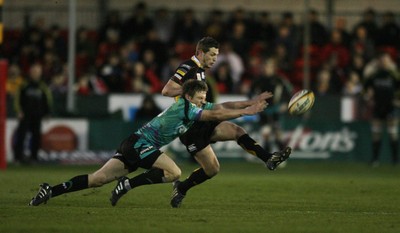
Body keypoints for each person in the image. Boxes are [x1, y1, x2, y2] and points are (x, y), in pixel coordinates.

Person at [29, 80, 271, 206]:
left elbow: (223, 107)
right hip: (140, 144)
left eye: (204, 98)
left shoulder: (195, 104)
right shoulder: (185, 108)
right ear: (188, 96)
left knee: (97, 179)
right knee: (174, 172)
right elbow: (214, 116)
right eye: (199, 97)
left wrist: (250, 101)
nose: (203, 101)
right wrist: (249, 112)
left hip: (133, 143)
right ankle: (128, 184)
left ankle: (51, 190)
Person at [162, 37, 292, 208]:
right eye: (212, 55)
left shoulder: (200, 71)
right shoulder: (188, 67)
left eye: (217, 55)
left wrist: (251, 101)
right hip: (190, 127)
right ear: (201, 53)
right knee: (212, 169)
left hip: (202, 119)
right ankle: (182, 187)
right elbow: (166, 90)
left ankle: (269, 158)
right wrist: (188, 88)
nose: (215, 59)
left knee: (236, 131)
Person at [363, 52, 400, 166]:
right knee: (376, 133)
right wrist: (368, 97)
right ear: (379, 62)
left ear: (389, 62)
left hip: (390, 107)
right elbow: (365, 88)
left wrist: (397, 100)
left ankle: (395, 161)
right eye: (382, 61)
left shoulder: (394, 75)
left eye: (386, 61)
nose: (384, 63)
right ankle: (375, 160)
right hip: (378, 107)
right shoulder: (374, 75)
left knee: (392, 133)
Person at [13, 63, 53, 164]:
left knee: (36, 137)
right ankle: (18, 158)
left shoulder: (43, 86)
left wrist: (47, 112)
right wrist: (18, 111)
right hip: (25, 115)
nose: (36, 74)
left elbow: (48, 100)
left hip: (37, 115)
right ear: (30, 72)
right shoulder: (24, 85)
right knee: (21, 136)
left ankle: (34, 157)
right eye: (34, 71)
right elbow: (17, 99)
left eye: (38, 72)